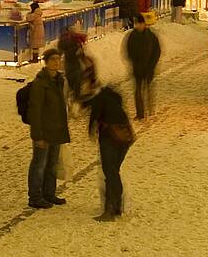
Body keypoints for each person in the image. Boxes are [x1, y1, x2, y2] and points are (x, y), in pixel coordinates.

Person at [81, 64, 135, 221]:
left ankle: (111, 209)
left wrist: (91, 132)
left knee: (110, 173)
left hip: (111, 138)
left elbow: (94, 116)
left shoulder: (98, 97)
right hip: (126, 136)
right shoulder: (110, 93)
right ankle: (117, 207)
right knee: (113, 172)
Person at [25, 48, 70, 209]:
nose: (57, 62)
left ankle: (49, 193)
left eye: (58, 59)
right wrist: (37, 136)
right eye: (53, 59)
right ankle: (35, 196)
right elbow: (35, 111)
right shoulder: (40, 83)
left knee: (51, 164)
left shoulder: (59, 80)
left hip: (56, 129)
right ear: (46, 62)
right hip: (44, 131)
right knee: (39, 164)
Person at [124, 13, 162, 120]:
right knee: (138, 91)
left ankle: (150, 110)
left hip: (149, 68)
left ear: (143, 24)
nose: (137, 26)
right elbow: (128, 50)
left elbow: (157, 51)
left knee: (149, 89)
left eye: (138, 23)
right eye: (136, 23)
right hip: (137, 68)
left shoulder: (151, 36)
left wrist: (152, 65)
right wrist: (133, 62)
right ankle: (140, 113)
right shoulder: (132, 36)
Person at [59, 20, 89, 93]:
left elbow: (60, 49)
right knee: (77, 76)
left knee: (72, 77)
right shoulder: (75, 38)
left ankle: (74, 90)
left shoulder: (64, 38)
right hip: (74, 62)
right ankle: (76, 91)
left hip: (70, 63)